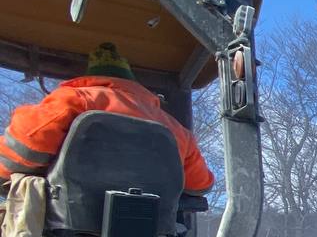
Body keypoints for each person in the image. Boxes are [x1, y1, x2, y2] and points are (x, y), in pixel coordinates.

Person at [1, 42, 214, 193]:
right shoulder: (177, 130)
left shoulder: (73, 100)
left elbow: (23, 150)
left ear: (92, 77)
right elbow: (200, 186)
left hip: (66, 228)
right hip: (150, 233)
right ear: (132, 83)